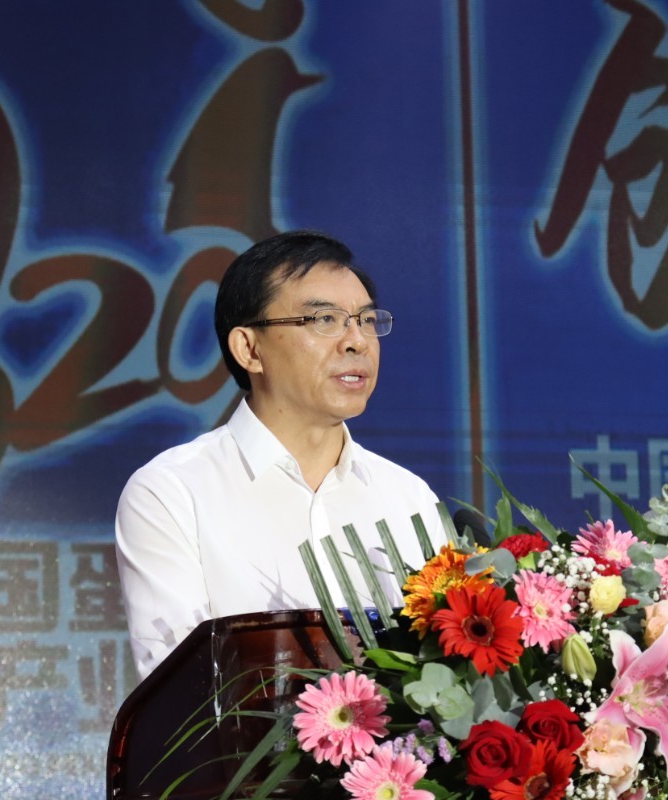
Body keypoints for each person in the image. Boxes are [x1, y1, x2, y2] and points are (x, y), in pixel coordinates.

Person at [115, 230, 443, 679]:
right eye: (325, 319)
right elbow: (181, 690)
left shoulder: (409, 499)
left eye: (366, 320)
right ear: (249, 349)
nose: (357, 342)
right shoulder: (173, 493)